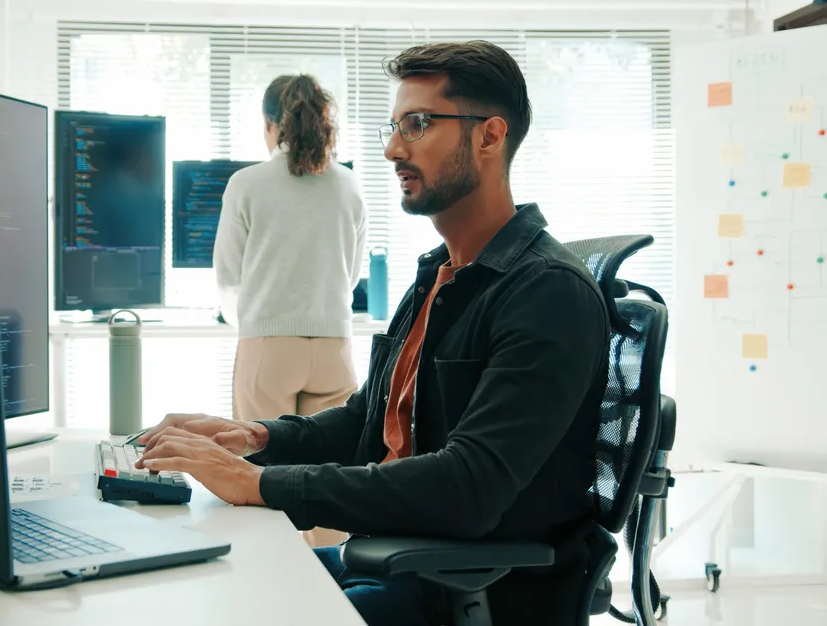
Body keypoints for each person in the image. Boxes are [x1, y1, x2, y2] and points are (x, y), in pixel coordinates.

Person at [136, 41, 610, 626]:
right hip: (402, 560)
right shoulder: (442, 275)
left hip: (468, 592)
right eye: (393, 126)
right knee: (205, 586)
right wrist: (256, 437)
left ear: (489, 137)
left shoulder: (548, 293)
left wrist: (257, 484)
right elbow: (369, 421)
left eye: (417, 124)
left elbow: (469, 485)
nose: (391, 149)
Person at [212, 74, 367, 547]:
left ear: (270, 123)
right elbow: (354, 273)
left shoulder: (248, 184)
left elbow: (227, 276)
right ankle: (334, 598)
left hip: (268, 346)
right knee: (330, 483)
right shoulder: (349, 185)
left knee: (262, 481)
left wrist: (249, 321)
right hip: (334, 346)